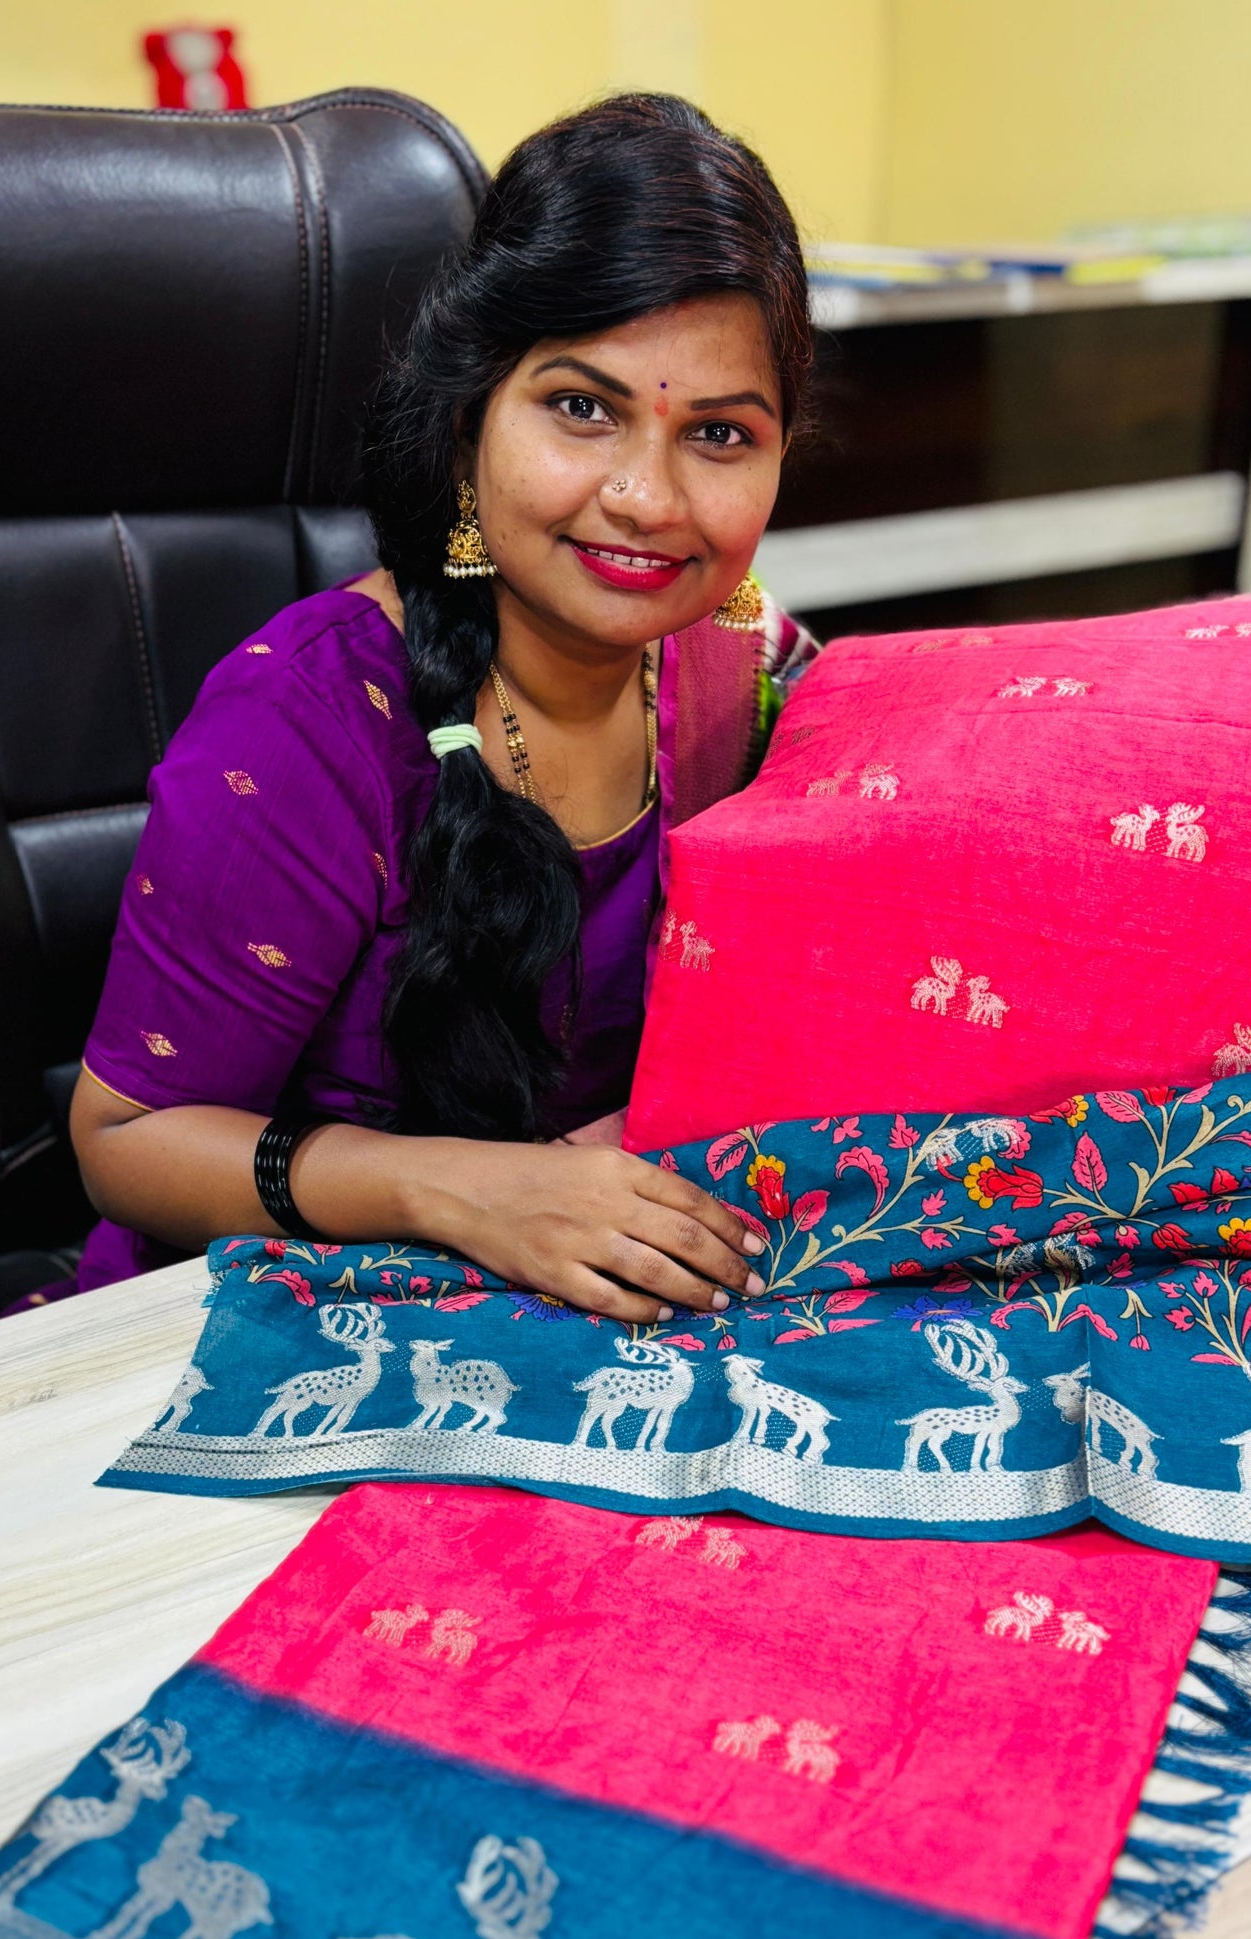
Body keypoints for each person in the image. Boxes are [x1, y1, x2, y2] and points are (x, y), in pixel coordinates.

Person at [70, 93, 816, 1326]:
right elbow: (127, 1142)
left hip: (615, 1298)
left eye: (720, 434)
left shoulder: (743, 665)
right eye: (582, 408)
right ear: (469, 415)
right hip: (273, 1318)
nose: (646, 497)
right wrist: (468, 1192)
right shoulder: (303, 721)